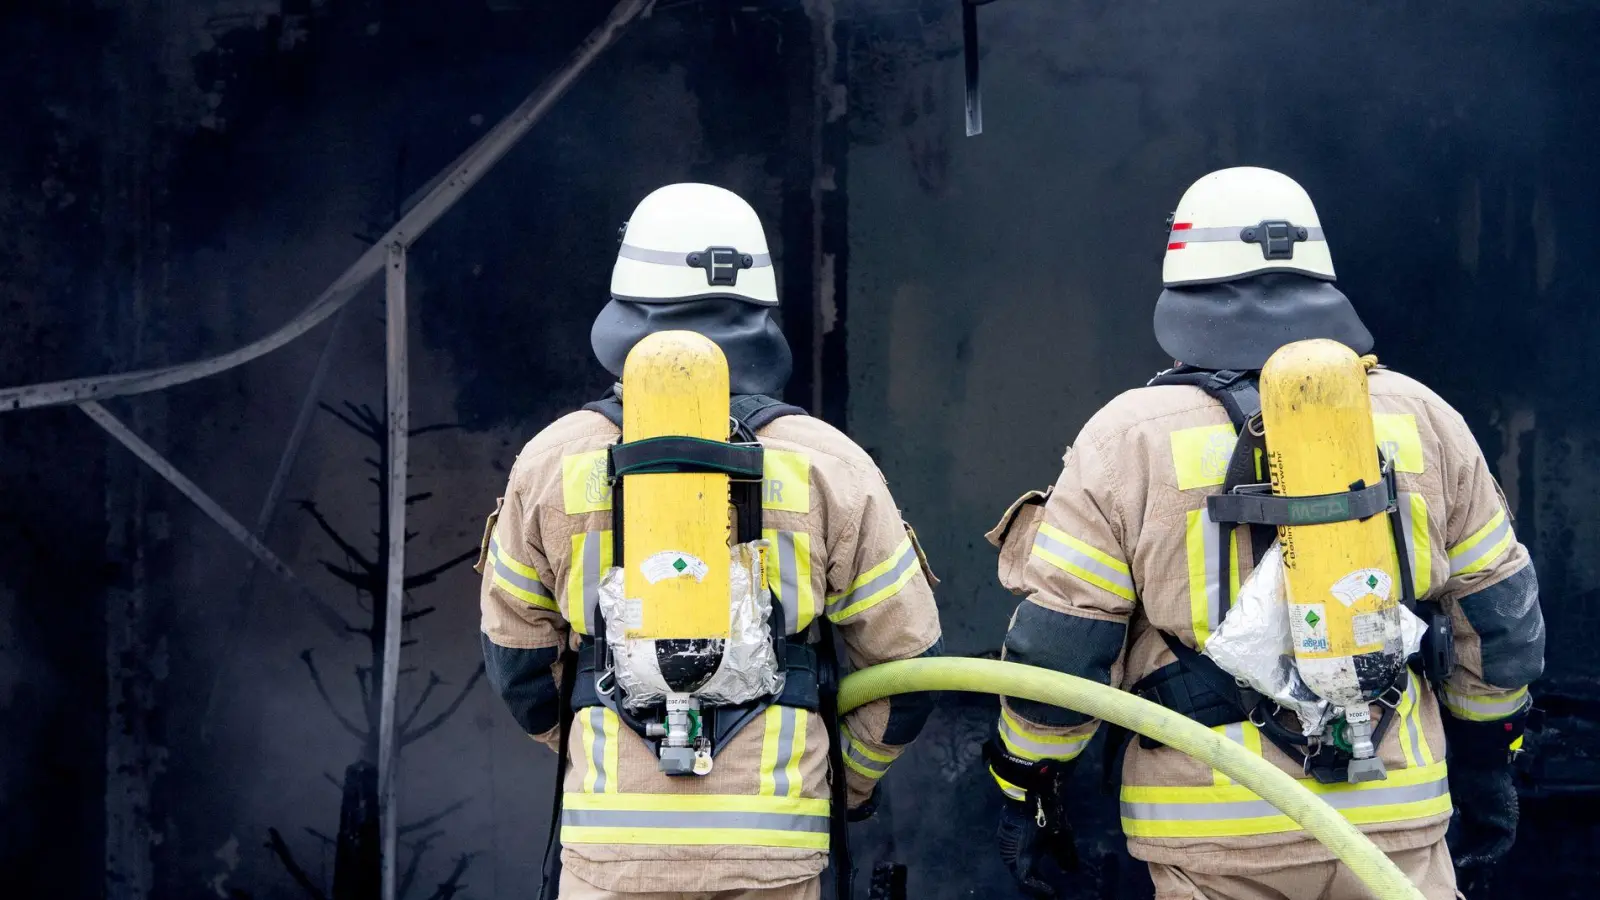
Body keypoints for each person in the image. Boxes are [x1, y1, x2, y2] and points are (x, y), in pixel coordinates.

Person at [982, 167, 1544, 899]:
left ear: (1182, 296)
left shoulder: (1129, 437)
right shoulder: (1422, 417)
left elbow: (1061, 653)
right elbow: (1501, 623)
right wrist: (1483, 759)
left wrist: (1027, 780)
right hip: (1395, 819)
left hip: (1217, 828)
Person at [477, 182, 943, 899]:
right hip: (771, 846)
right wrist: (842, 782)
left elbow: (517, 665)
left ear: (627, 310)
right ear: (761, 314)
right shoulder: (830, 463)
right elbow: (905, 667)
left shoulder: (553, 461)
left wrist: (588, 740)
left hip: (612, 851)